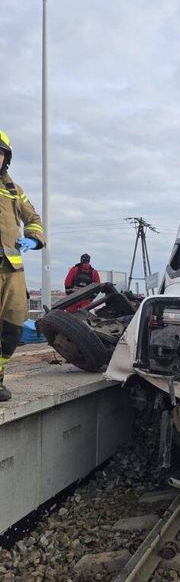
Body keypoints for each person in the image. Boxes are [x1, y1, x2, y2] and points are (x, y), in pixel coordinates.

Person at [0, 130, 45, 403]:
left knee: (13, 327)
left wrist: (33, 238)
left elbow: (34, 219)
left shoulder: (14, 190)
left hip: (12, 271)